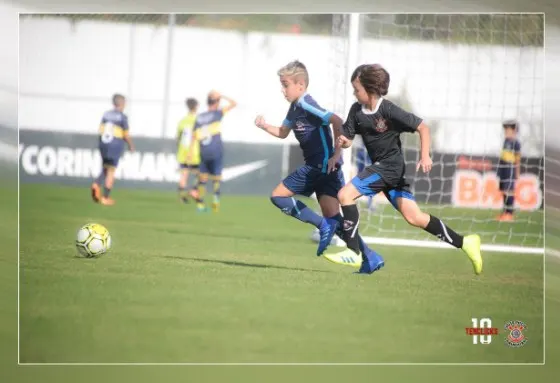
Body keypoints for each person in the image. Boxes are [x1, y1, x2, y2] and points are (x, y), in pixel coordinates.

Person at [326, 64, 483, 275]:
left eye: (357, 89)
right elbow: (348, 140)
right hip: (388, 172)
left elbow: (423, 127)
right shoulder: (356, 110)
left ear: (370, 89)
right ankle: (465, 242)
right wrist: (343, 142)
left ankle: (354, 252)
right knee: (414, 217)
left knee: (344, 195)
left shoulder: (388, 109)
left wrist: (425, 154)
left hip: (390, 167)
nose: (354, 93)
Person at [254, 60, 384, 267]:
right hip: (325, 169)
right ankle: (370, 257)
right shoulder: (294, 109)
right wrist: (263, 125)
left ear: (301, 85)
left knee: (278, 196)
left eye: (285, 84)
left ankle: (323, 225)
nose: (282, 90)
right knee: (336, 220)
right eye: (282, 85)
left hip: (320, 165)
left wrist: (335, 154)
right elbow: (282, 132)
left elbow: (337, 121)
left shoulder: (306, 102)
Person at [189, 90, 237, 212]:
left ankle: (200, 205)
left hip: (203, 151)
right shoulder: (218, 113)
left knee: (203, 179)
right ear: (217, 102)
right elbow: (234, 103)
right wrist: (222, 95)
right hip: (216, 150)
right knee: (216, 178)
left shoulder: (199, 117)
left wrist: (190, 152)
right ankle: (215, 202)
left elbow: (194, 136)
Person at [91, 93, 134, 206]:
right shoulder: (122, 117)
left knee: (105, 168)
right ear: (122, 104)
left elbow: (100, 130)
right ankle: (105, 197)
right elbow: (126, 134)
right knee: (111, 171)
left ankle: (96, 184)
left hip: (104, 143)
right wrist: (131, 145)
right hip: (115, 144)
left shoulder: (106, 115)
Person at [496, 119, 521, 222]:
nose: (506, 132)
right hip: (503, 169)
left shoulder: (516, 143)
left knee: (509, 191)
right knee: (504, 191)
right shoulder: (505, 141)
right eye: (505, 130)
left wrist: (517, 173)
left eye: (508, 130)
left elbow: (518, 159)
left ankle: (510, 214)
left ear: (514, 130)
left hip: (510, 169)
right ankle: (505, 212)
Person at [176, 98, 200, 203]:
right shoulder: (199, 120)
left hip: (183, 151)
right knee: (201, 174)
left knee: (184, 175)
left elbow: (178, 137)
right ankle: (194, 191)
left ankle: (182, 198)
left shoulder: (182, 121)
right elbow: (203, 136)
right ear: (196, 107)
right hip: (194, 151)